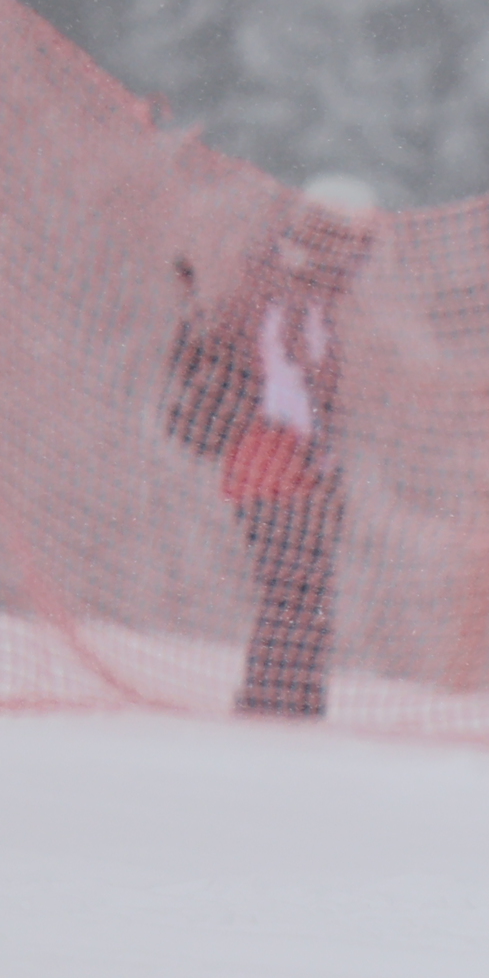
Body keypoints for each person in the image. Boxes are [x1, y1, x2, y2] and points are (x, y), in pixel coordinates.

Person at [167, 200, 367, 720]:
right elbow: (286, 394)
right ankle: (275, 699)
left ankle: (288, 696)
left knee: (302, 585)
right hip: (271, 459)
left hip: (285, 464)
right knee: (293, 584)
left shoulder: (304, 308)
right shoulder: (283, 310)